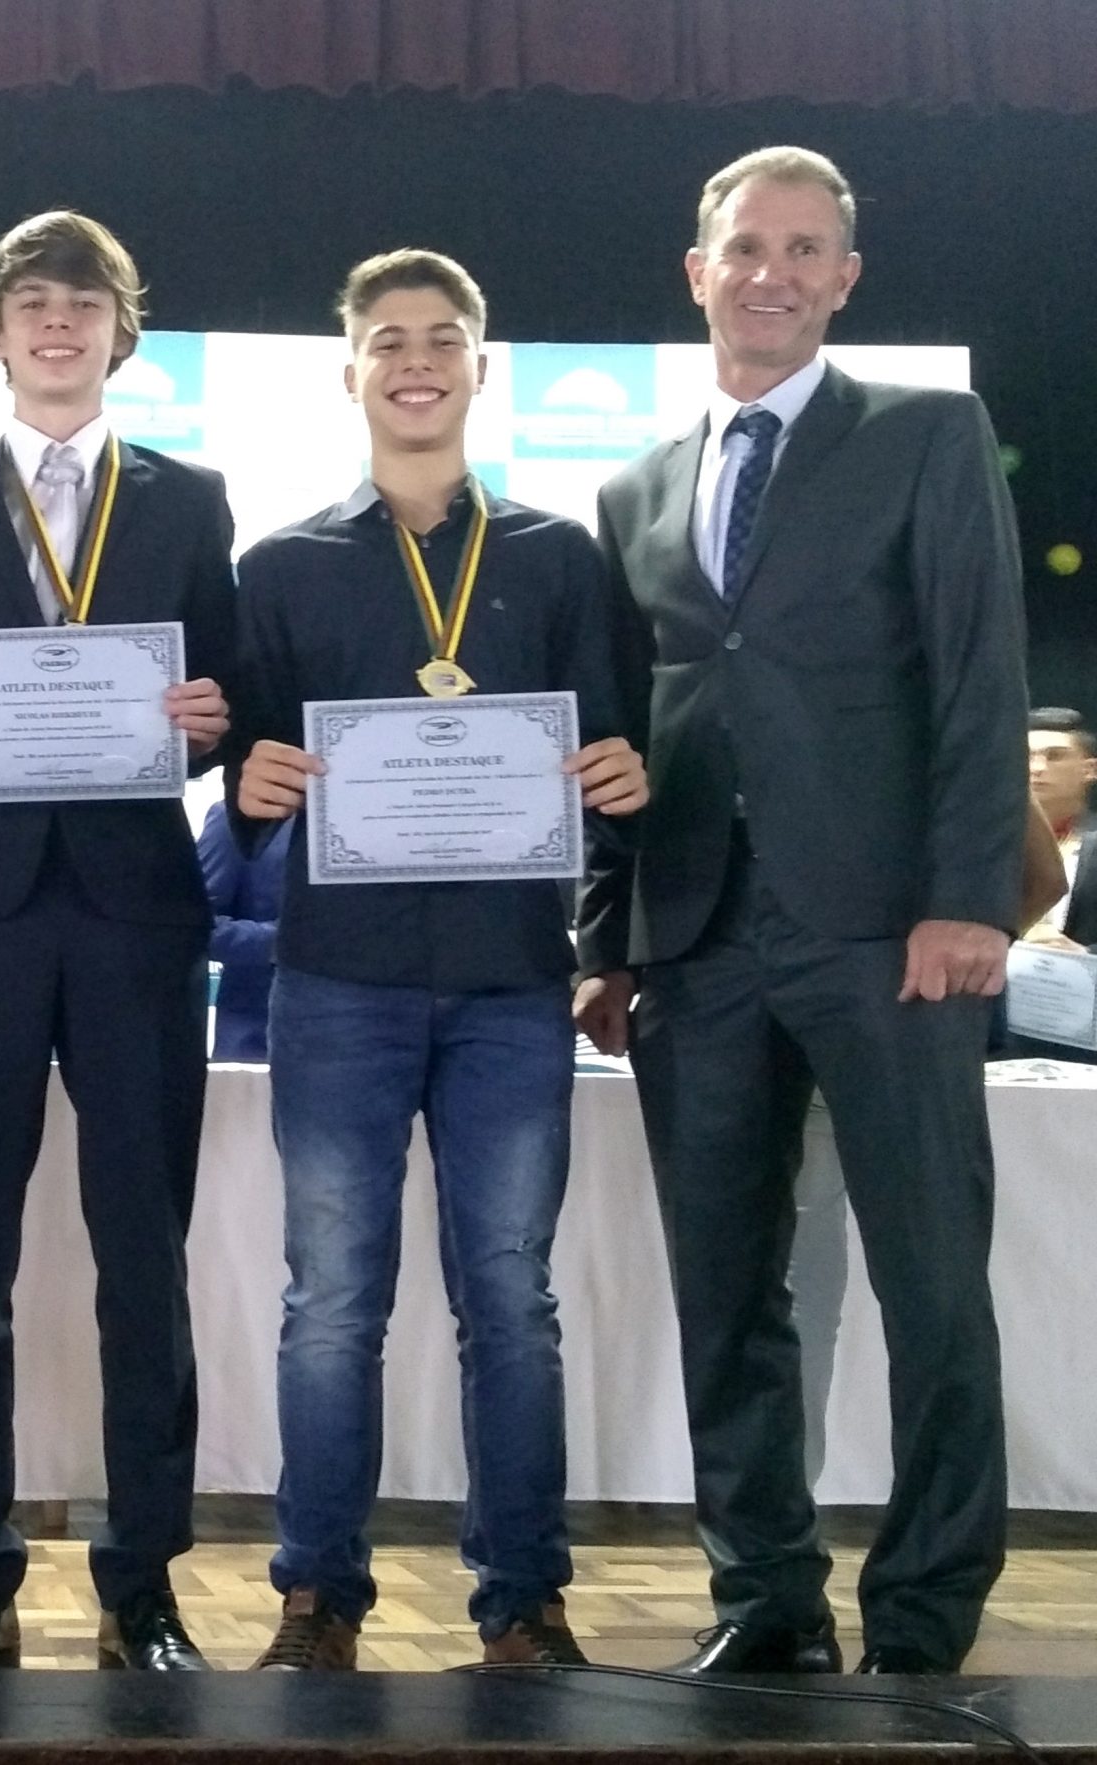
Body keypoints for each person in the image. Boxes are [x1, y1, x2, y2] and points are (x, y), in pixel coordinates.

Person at [574, 146, 1027, 1676]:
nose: (773, 272)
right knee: (724, 1292)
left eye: (806, 248)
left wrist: (967, 899)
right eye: (747, 247)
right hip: (694, 942)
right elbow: (621, 731)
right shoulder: (632, 488)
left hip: (890, 934)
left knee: (932, 1285)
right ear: (696, 272)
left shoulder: (926, 435)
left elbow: (979, 678)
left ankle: (925, 1613)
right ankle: (764, 1600)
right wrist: (607, 941)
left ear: (845, 278)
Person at [228, 249, 647, 1671]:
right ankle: (316, 1601)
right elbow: (246, 765)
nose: (416, 361)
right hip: (336, 982)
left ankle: (524, 1600)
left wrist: (623, 779)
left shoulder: (559, 557)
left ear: (480, 365)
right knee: (331, 1306)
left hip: (511, 984)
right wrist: (250, 781)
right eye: (389, 339)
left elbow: (617, 750)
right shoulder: (281, 565)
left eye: (442, 338)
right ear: (348, 370)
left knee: (511, 1302)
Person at [0, 210, 234, 1672]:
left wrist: (215, 720)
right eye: (31, 299)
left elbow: (227, 695)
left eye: (85, 301)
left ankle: (143, 1580)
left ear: (120, 334)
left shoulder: (192, 500)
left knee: (144, 1251)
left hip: (138, 911)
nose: (58, 321)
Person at [197, 811, 290, 1061]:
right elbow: (195, 927)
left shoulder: (380, 818)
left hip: (377, 1037)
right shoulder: (234, 817)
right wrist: (288, 940)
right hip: (256, 1040)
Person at [1022, 708, 1097, 948]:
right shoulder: (980, 844)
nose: (1037, 768)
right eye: (1026, 756)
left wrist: (1084, 956)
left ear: (1090, 769)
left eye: (1054, 756)